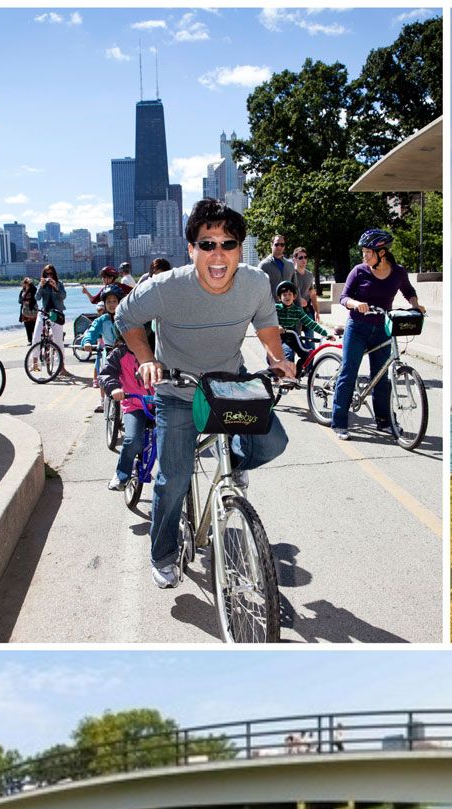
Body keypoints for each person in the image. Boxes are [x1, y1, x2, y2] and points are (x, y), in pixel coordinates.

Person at [114, 197, 294, 589]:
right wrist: (146, 357)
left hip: (228, 383)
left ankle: (235, 466)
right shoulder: (165, 288)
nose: (218, 254)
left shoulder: (255, 283)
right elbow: (125, 317)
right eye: (207, 244)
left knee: (273, 442)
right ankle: (162, 554)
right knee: (173, 480)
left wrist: (278, 358)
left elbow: (266, 326)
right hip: (177, 389)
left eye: (228, 244)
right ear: (191, 249)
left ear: (239, 249)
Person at [330, 229, 426, 439]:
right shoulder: (359, 271)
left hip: (383, 328)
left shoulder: (398, 272)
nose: (364, 255)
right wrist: (356, 304)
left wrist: (416, 305)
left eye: (368, 252)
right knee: (349, 372)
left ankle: (383, 421)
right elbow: (344, 297)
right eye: (363, 251)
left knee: (382, 378)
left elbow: (408, 291)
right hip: (358, 327)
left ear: (381, 253)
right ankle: (339, 422)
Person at [98, 340, 150, 491]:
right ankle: (122, 474)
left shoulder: (160, 349)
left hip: (162, 404)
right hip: (135, 405)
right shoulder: (120, 353)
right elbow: (106, 373)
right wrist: (114, 388)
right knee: (132, 440)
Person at [80, 285, 125, 413]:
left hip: (125, 351)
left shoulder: (125, 317)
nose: (111, 304)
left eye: (114, 301)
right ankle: (102, 399)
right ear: (104, 304)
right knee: (104, 374)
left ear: (120, 302)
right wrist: (87, 341)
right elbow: (91, 331)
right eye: (108, 302)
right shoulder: (102, 320)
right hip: (109, 351)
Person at [274, 280, 329, 362]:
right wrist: (277, 326)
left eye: (290, 294)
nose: (287, 297)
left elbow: (310, 323)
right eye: (284, 295)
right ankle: (287, 373)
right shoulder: (276, 308)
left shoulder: (297, 310)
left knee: (307, 355)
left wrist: (325, 334)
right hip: (279, 337)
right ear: (279, 297)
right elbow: (268, 319)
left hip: (293, 336)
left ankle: (298, 372)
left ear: (294, 297)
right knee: (288, 354)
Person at [34, 263, 69, 370]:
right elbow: (37, 297)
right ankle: (35, 363)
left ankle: (62, 367)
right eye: (46, 274)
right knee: (35, 337)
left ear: (54, 274)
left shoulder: (59, 283)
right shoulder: (42, 284)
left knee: (58, 341)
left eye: (51, 274)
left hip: (56, 314)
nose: (49, 276)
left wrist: (56, 287)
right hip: (44, 313)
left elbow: (63, 296)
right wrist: (40, 286)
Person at [258, 233, 294, 298]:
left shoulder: (290, 265)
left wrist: (299, 307)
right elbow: (259, 289)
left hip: (288, 306)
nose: (279, 247)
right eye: (276, 244)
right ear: (271, 245)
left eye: (282, 245)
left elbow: (295, 287)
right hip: (270, 306)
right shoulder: (263, 265)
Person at [290, 247, 318, 317]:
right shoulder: (290, 274)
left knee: (312, 328)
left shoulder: (309, 274)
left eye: (305, 257)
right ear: (294, 260)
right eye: (300, 258)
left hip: (307, 310)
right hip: (293, 310)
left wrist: (316, 311)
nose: (304, 260)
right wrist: (297, 299)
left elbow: (312, 293)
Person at [18, 277, 39, 342]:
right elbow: (19, 300)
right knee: (27, 325)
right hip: (25, 310)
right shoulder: (22, 290)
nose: (25, 284)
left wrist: (29, 301)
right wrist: (23, 301)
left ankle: (35, 339)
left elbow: (35, 297)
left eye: (27, 283)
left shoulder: (33, 289)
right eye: (25, 283)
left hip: (32, 309)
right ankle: (30, 340)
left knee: (34, 325)